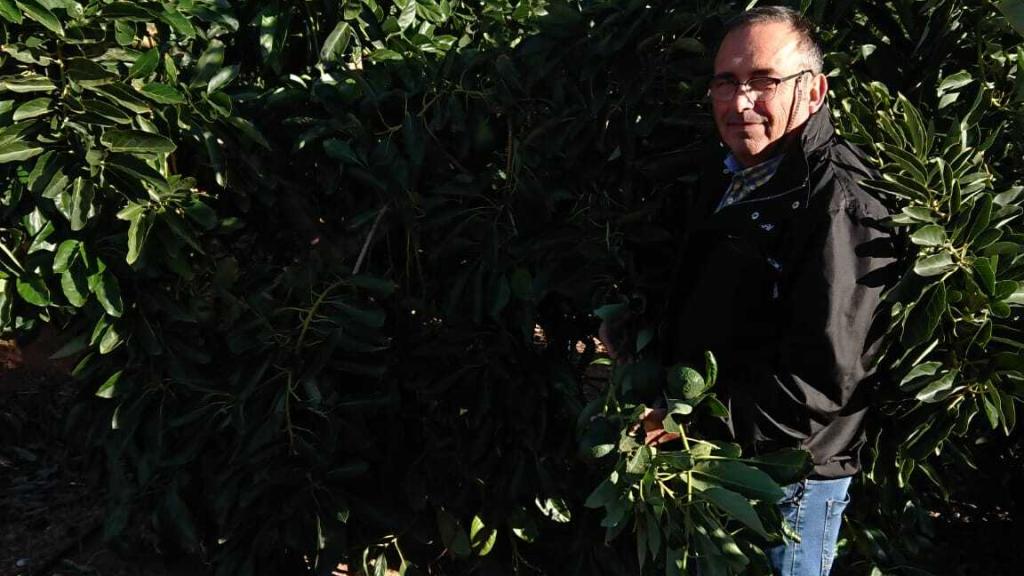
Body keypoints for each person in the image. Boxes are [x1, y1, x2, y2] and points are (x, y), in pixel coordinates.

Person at [627, 6, 896, 576]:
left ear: (814, 90)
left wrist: (694, 425)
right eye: (726, 82)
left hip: (788, 481)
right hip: (725, 464)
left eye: (764, 82)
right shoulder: (732, 172)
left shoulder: (838, 205)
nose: (740, 101)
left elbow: (824, 379)